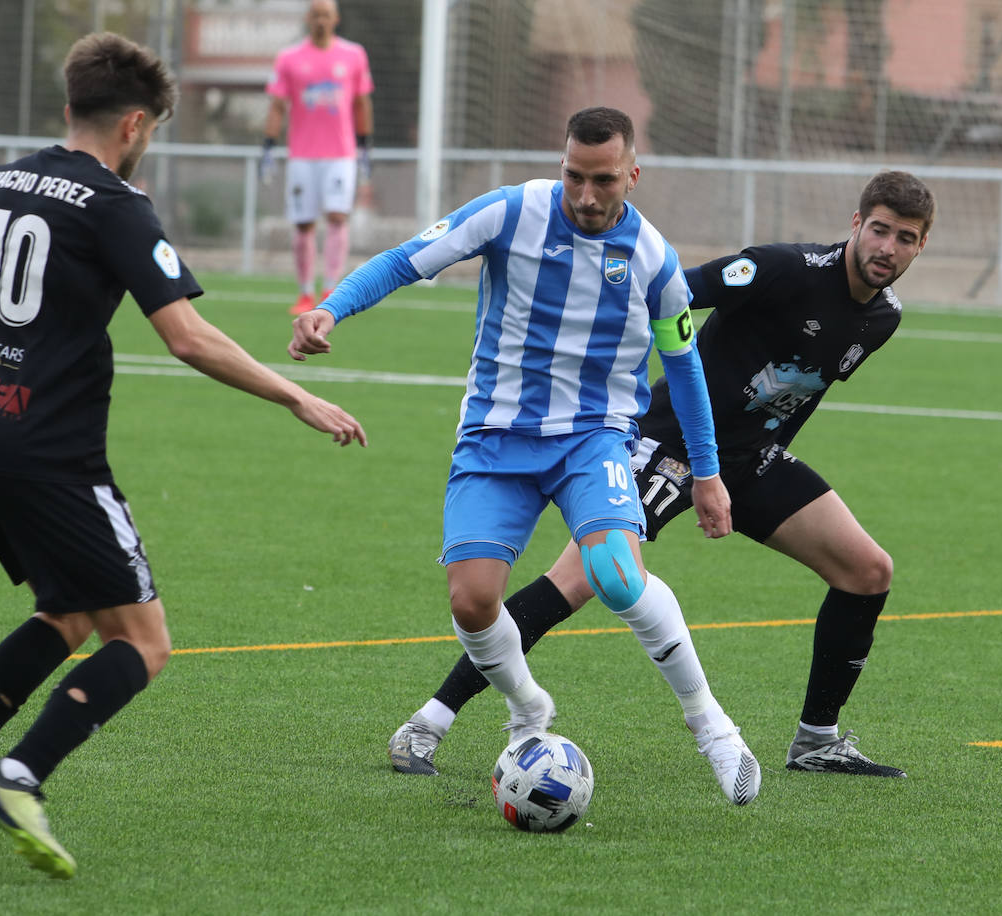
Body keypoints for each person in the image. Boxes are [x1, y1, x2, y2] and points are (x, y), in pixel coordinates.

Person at [0, 32, 366, 879]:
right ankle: (18, 776)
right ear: (135, 125)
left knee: (68, 612)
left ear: (71, 108)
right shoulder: (115, 205)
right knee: (143, 641)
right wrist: (296, 395)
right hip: (46, 454)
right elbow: (186, 336)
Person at [388, 170, 934, 780]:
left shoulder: (882, 318)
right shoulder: (784, 269)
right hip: (668, 444)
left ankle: (817, 741)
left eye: (905, 238)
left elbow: (791, 400)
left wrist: (738, 473)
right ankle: (428, 722)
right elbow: (671, 291)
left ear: (921, 245)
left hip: (749, 463)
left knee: (868, 572)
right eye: (879, 230)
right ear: (857, 224)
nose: (888, 248)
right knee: (580, 580)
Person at [289, 106, 762, 805]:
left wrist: (709, 474)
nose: (586, 195)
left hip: (592, 437)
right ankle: (529, 710)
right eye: (575, 175)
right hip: (495, 437)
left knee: (614, 573)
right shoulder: (511, 212)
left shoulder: (656, 261)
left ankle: (713, 728)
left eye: (603, 180)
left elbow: (684, 367)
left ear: (632, 174)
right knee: (473, 600)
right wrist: (334, 307)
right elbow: (405, 260)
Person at [262, 0, 375, 316]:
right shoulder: (289, 58)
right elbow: (277, 104)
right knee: (303, 224)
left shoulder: (353, 55)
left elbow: (362, 103)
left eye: (326, 14)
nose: (321, 20)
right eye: (315, 15)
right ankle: (304, 293)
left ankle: (330, 288)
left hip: (341, 154)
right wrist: (268, 145)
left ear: (336, 18)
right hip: (302, 155)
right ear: (308, 19)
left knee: (338, 216)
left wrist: (365, 144)